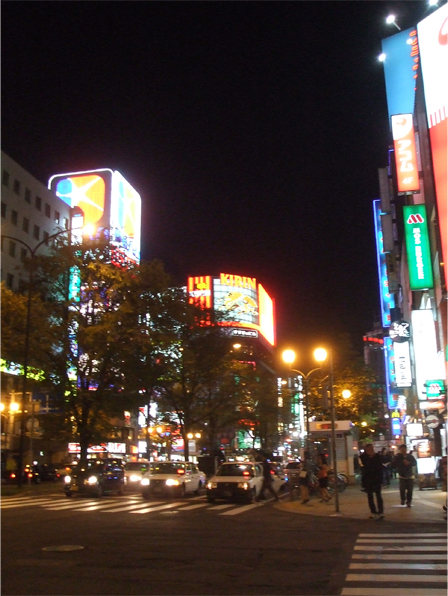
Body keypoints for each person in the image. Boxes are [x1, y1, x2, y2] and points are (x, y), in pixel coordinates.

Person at [360, 444, 384, 520]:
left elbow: (379, 467)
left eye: (371, 449)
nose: (369, 451)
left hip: (377, 478)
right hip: (368, 479)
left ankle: (380, 512)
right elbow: (365, 467)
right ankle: (373, 512)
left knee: (378, 495)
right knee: (370, 496)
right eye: (368, 449)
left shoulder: (378, 457)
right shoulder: (363, 457)